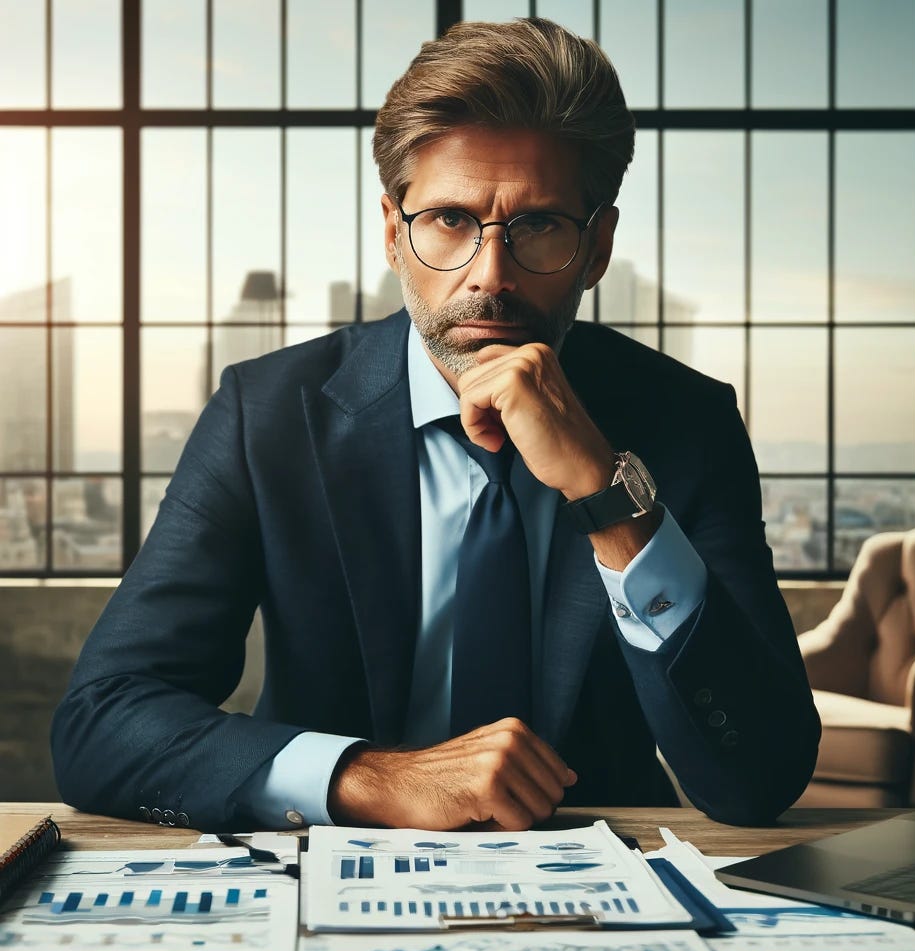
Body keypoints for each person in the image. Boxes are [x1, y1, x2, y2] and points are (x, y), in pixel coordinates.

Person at [51, 18, 820, 834]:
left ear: (598, 246)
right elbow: (103, 721)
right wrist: (370, 777)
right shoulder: (268, 413)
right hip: (329, 879)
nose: (491, 277)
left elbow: (759, 778)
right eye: (450, 220)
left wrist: (607, 498)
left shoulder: (684, 422)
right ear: (393, 231)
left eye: (539, 227)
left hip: (609, 890)